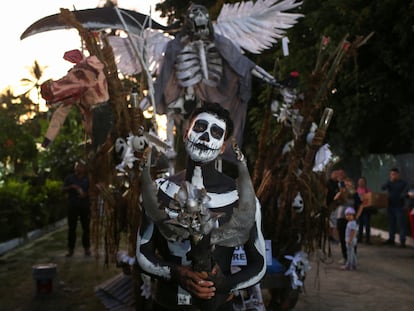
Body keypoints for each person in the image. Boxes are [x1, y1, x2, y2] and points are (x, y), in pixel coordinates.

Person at [136, 102, 266, 311]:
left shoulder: (241, 198)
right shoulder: (159, 190)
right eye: (200, 127)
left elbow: (259, 264)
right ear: (186, 133)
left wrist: (225, 284)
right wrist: (176, 273)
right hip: (167, 305)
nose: (205, 137)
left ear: (222, 147)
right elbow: (142, 253)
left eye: (215, 133)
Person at [62, 160, 91, 257]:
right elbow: (63, 189)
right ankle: (70, 249)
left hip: (84, 206)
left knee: (86, 228)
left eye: (80, 166)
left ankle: (87, 248)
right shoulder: (70, 178)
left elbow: (92, 191)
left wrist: (85, 195)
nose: (78, 168)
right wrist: (72, 187)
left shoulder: (87, 179)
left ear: (84, 168)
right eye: (77, 166)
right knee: (72, 228)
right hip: (73, 206)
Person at [381, 167, 408, 248]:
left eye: (394, 174)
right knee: (391, 223)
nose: (393, 176)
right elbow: (382, 188)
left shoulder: (403, 183)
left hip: (400, 206)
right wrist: (389, 182)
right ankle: (391, 239)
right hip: (390, 206)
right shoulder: (389, 182)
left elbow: (406, 193)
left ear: (398, 174)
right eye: (391, 174)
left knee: (401, 224)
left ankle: (402, 241)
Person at [356, 177, 372, 244]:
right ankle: (360, 238)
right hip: (359, 209)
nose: (361, 182)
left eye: (362, 181)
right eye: (360, 181)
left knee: (367, 224)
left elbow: (371, 199)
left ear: (365, 182)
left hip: (366, 209)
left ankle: (367, 239)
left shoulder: (368, 190)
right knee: (360, 224)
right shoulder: (356, 190)